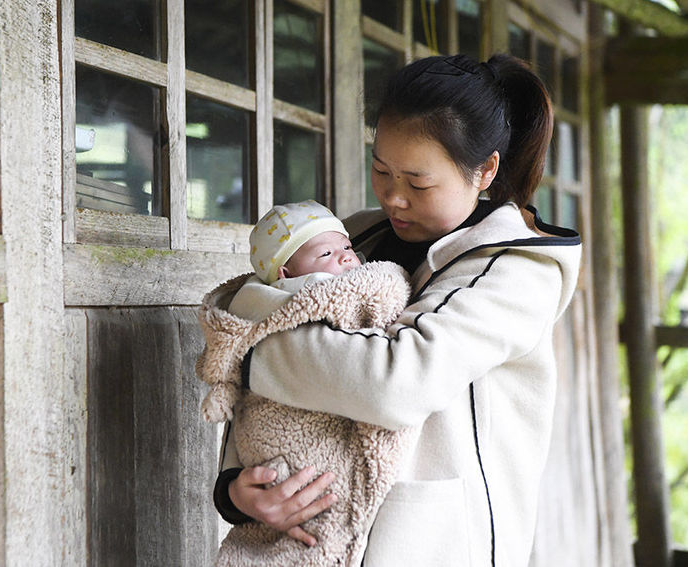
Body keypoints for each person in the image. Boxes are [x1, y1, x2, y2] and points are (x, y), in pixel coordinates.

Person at [212, 53, 582, 566]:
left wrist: (248, 354)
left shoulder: (519, 270)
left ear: (485, 171)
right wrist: (237, 489)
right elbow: (268, 316)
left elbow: (395, 383)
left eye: (418, 182)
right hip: (319, 539)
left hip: (434, 543)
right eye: (381, 170)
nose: (393, 197)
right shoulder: (353, 236)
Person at [197, 200, 415, 566]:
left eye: (347, 248)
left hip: (387, 516)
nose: (347, 258)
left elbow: (395, 377)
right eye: (327, 253)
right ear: (285, 273)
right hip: (284, 472)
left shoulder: (483, 257)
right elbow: (244, 410)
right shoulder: (268, 304)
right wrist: (233, 492)